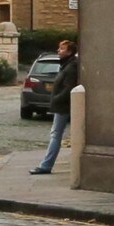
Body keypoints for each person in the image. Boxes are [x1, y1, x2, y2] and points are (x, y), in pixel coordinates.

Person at [28, 40, 79, 175]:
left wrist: (56, 99)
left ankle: (46, 165)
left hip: (63, 106)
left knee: (56, 134)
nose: (58, 51)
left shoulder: (71, 67)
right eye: (59, 48)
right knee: (57, 134)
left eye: (62, 49)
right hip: (62, 105)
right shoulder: (66, 65)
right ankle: (46, 165)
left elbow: (69, 88)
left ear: (69, 52)